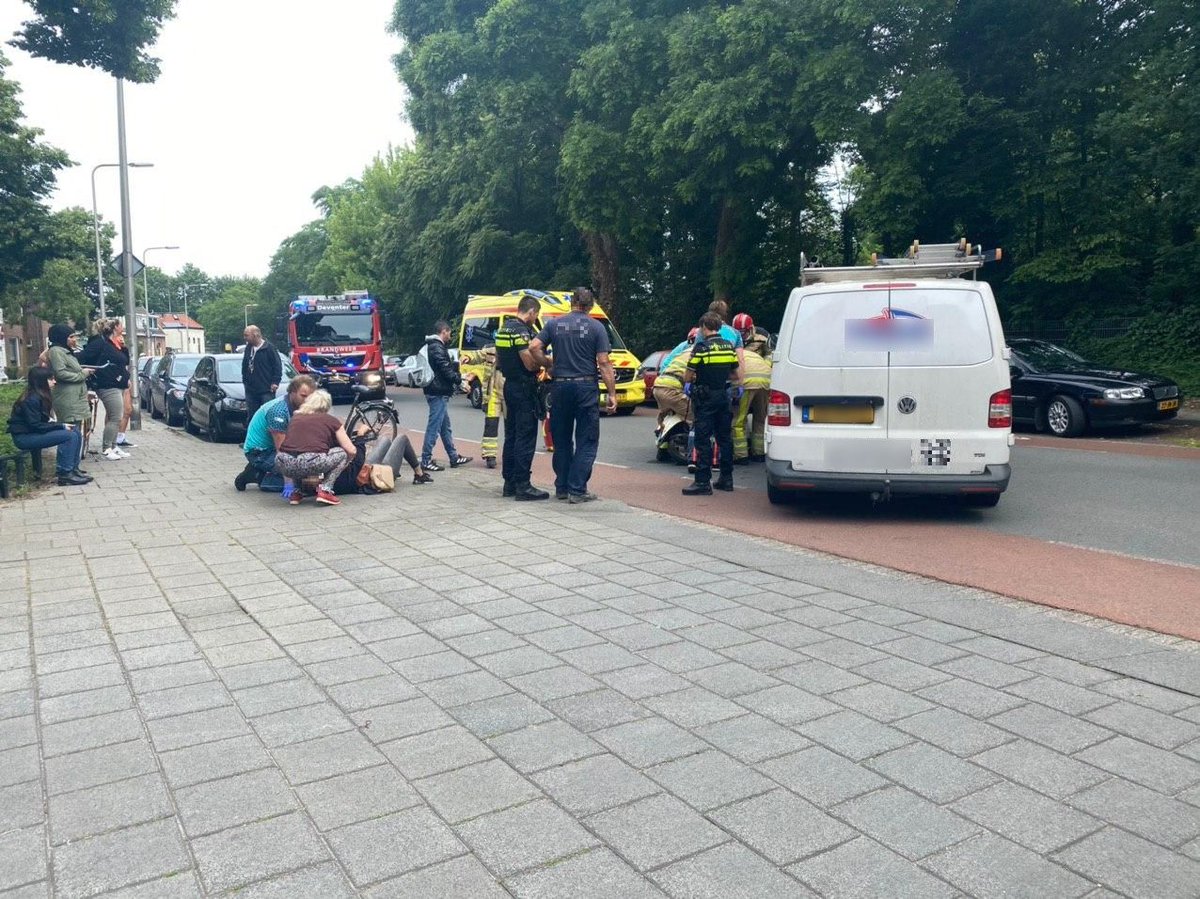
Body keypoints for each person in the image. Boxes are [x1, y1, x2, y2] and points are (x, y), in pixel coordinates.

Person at [528, 287, 617, 504]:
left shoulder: (554, 324)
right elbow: (604, 363)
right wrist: (612, 393)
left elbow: (533, 347)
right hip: (585, 387)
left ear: (571, 303)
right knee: (587, 439)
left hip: (560, 387)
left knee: (562, 439)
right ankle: (577, 489)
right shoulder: (597, 327)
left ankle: (562, 486)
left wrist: (549, 364)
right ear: (590, 306)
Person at [496, 293, 550, 500]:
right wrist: (546, 363)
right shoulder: (521, 332)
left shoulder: (503, 330)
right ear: (531, 311)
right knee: (525, 437)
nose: (536, 319)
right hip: (523, 387)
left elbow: (500, 361)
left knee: (511, 435)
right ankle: (523, 485)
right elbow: (529, 362)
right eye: (536, 315)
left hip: (509, 385)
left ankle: (508, 483)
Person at [682, 312, 742, 495]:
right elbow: (735, 374)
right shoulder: (728, 347)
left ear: (704, 327)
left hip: (705, 398)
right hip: (723, 396)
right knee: (724, 438)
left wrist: (690, 382)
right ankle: (726, 479)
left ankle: (702, 482)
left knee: (702, 439)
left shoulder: (701, 347)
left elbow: (688, 374)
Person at [6, 367, 91, 486]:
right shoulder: (31, 400)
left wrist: (60, 425)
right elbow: (35, 426)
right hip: (24, 438)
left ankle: (73, 469)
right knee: (69, 435)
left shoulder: (39, 396)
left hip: (32, 433)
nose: (54, 382)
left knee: (75, 431)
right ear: (41, 381)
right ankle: (65, 473)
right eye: (51, 379)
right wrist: (60, 426)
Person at [234, 374, 317, 491]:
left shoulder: (301, 406)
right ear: (292, 392)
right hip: (260, 452)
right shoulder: (278, 411)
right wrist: (290, 483)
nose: (307, 400)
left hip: (277, 447)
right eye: (303, 396)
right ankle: (258, 477)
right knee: (301, 484)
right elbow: (282, 453)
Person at [274, 390, 357, 506]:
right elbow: (351, 449)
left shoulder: (296, 417)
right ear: (327, 405)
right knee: (342, 453)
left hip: (283, 461)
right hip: (311, 461)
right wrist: (347, 462)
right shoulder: (331, 420)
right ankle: (325, 490)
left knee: (299, 456)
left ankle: (296, 492)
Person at [420, 320, 472, 472]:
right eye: (449, 332)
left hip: (436, 391)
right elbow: (445, 370)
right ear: (444, 331)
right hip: (438, 392)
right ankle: (426, 459)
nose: (450, 335)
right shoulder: (437, 347)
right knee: (434, 427)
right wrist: (460, 379)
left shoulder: (433, 346)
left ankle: (453, 456)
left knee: (444, 427)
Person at [79, 318, 132, 461]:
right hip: (107, 386)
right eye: (121, 325)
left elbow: (123, 361)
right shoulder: (100, 343)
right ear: (114, 328)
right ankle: (107, 448)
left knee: (116, 416)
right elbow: (83, 357)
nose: (123, 327)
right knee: (115, 417)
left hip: (117, 385)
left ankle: (114, 446)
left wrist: (124, 348)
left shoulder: (114, 344)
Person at [45, 324, 92, 473]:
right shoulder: (57, 351)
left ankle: (73, 466)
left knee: (77, 433)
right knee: (69, 433)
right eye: (71, 337)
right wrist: (82, 374)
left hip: (75, 397)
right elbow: (61, 373)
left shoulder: (67, 352)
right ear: (61, 338)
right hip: (67, 398)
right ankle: (65, 469)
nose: (74, 340)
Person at [730, 314, 772, 463]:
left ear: (751, 328)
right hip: (765, 381)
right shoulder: (736, 337)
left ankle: (741, 455)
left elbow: (770, 354)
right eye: (739, 332)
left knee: (738, 420)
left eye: (744, 332)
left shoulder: (762, 336)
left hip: (746, 381)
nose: (742, 335)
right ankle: (759, 453)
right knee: (761, 418)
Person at [653, 327, 698, 428]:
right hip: (672, 388)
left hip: (658, 385)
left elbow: (666, 364)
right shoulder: (698, 352)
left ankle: (662, 430)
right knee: (697, 413)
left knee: (672, 411)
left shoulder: (682, 349)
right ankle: (691, 440)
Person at [241, 325, 283, 425]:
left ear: (255, 335)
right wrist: (245, 381)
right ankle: (252, 438)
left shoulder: (269, 348)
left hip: (266, 389)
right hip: (251, 390)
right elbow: (245, 366)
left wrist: (275, 382)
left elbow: (277, 366)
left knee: (267, 414)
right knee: (252, 416)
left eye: (246, 335)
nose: (245, 338)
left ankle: (267, 438)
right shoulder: (248, 348)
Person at [366, 434, 434, 485]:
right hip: (373, 476)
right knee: (402, 438)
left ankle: (396, 469)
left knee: (385, 439)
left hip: (365, 467)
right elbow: (355, 452)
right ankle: (419, 474)